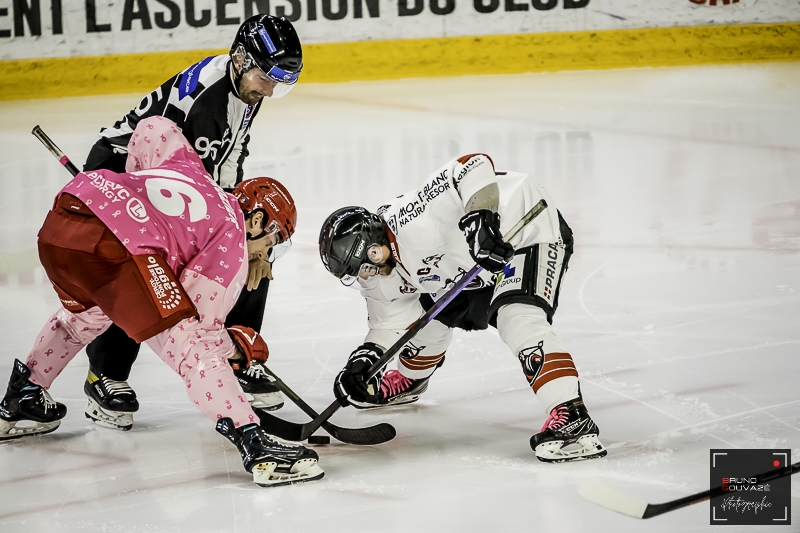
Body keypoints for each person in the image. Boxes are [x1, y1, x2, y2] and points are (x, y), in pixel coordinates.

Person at [0, 117, 323, 487]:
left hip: (64, 222)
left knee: (86, 315)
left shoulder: (190, 169)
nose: (265, 255)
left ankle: (22, 396)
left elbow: (153, 128)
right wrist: (235, 348)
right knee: (195, 350)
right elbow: (198, 333)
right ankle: (256, 445)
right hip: (114, 247)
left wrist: (137, 197)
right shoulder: (231, 234)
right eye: (273, 243)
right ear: (257, 220)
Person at [80, 14, 303, 430]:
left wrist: (244, 235)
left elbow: (229, 158)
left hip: (170, 182)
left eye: (279, 82)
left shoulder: (243, 86)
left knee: (255, 254)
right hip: (124, 178)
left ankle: (235, 357)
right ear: (240, 58)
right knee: (140, 275)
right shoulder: (207, 101)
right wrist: (232, 235)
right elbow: (189, 186)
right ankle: (104, 375)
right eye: (266, 77)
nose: (269, 90)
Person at [318, 153, 607, 463]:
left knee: (517, 318)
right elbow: (390, 322)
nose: (366, 278)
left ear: (373, 248)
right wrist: (363, 364)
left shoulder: (412, 218)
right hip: (471, 266)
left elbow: (473, 163)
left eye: (363, 268)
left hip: (525, 231)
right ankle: (411, 380)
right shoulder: (379, 270)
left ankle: (572, 414)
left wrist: (481, 220)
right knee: (423, 317)